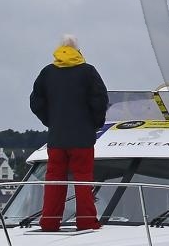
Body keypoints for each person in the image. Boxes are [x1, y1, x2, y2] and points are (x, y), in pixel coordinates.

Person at [28, 36, 109, 231]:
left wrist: (51, 121)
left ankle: (49, 222)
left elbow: (36, 102)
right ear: (78, 52)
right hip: (82, 139)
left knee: (54, 181)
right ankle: (86, 222)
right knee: (83, 180)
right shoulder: (88, 72)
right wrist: (94, 124)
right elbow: (100, 101)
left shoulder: (47, 73)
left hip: (56, 139)